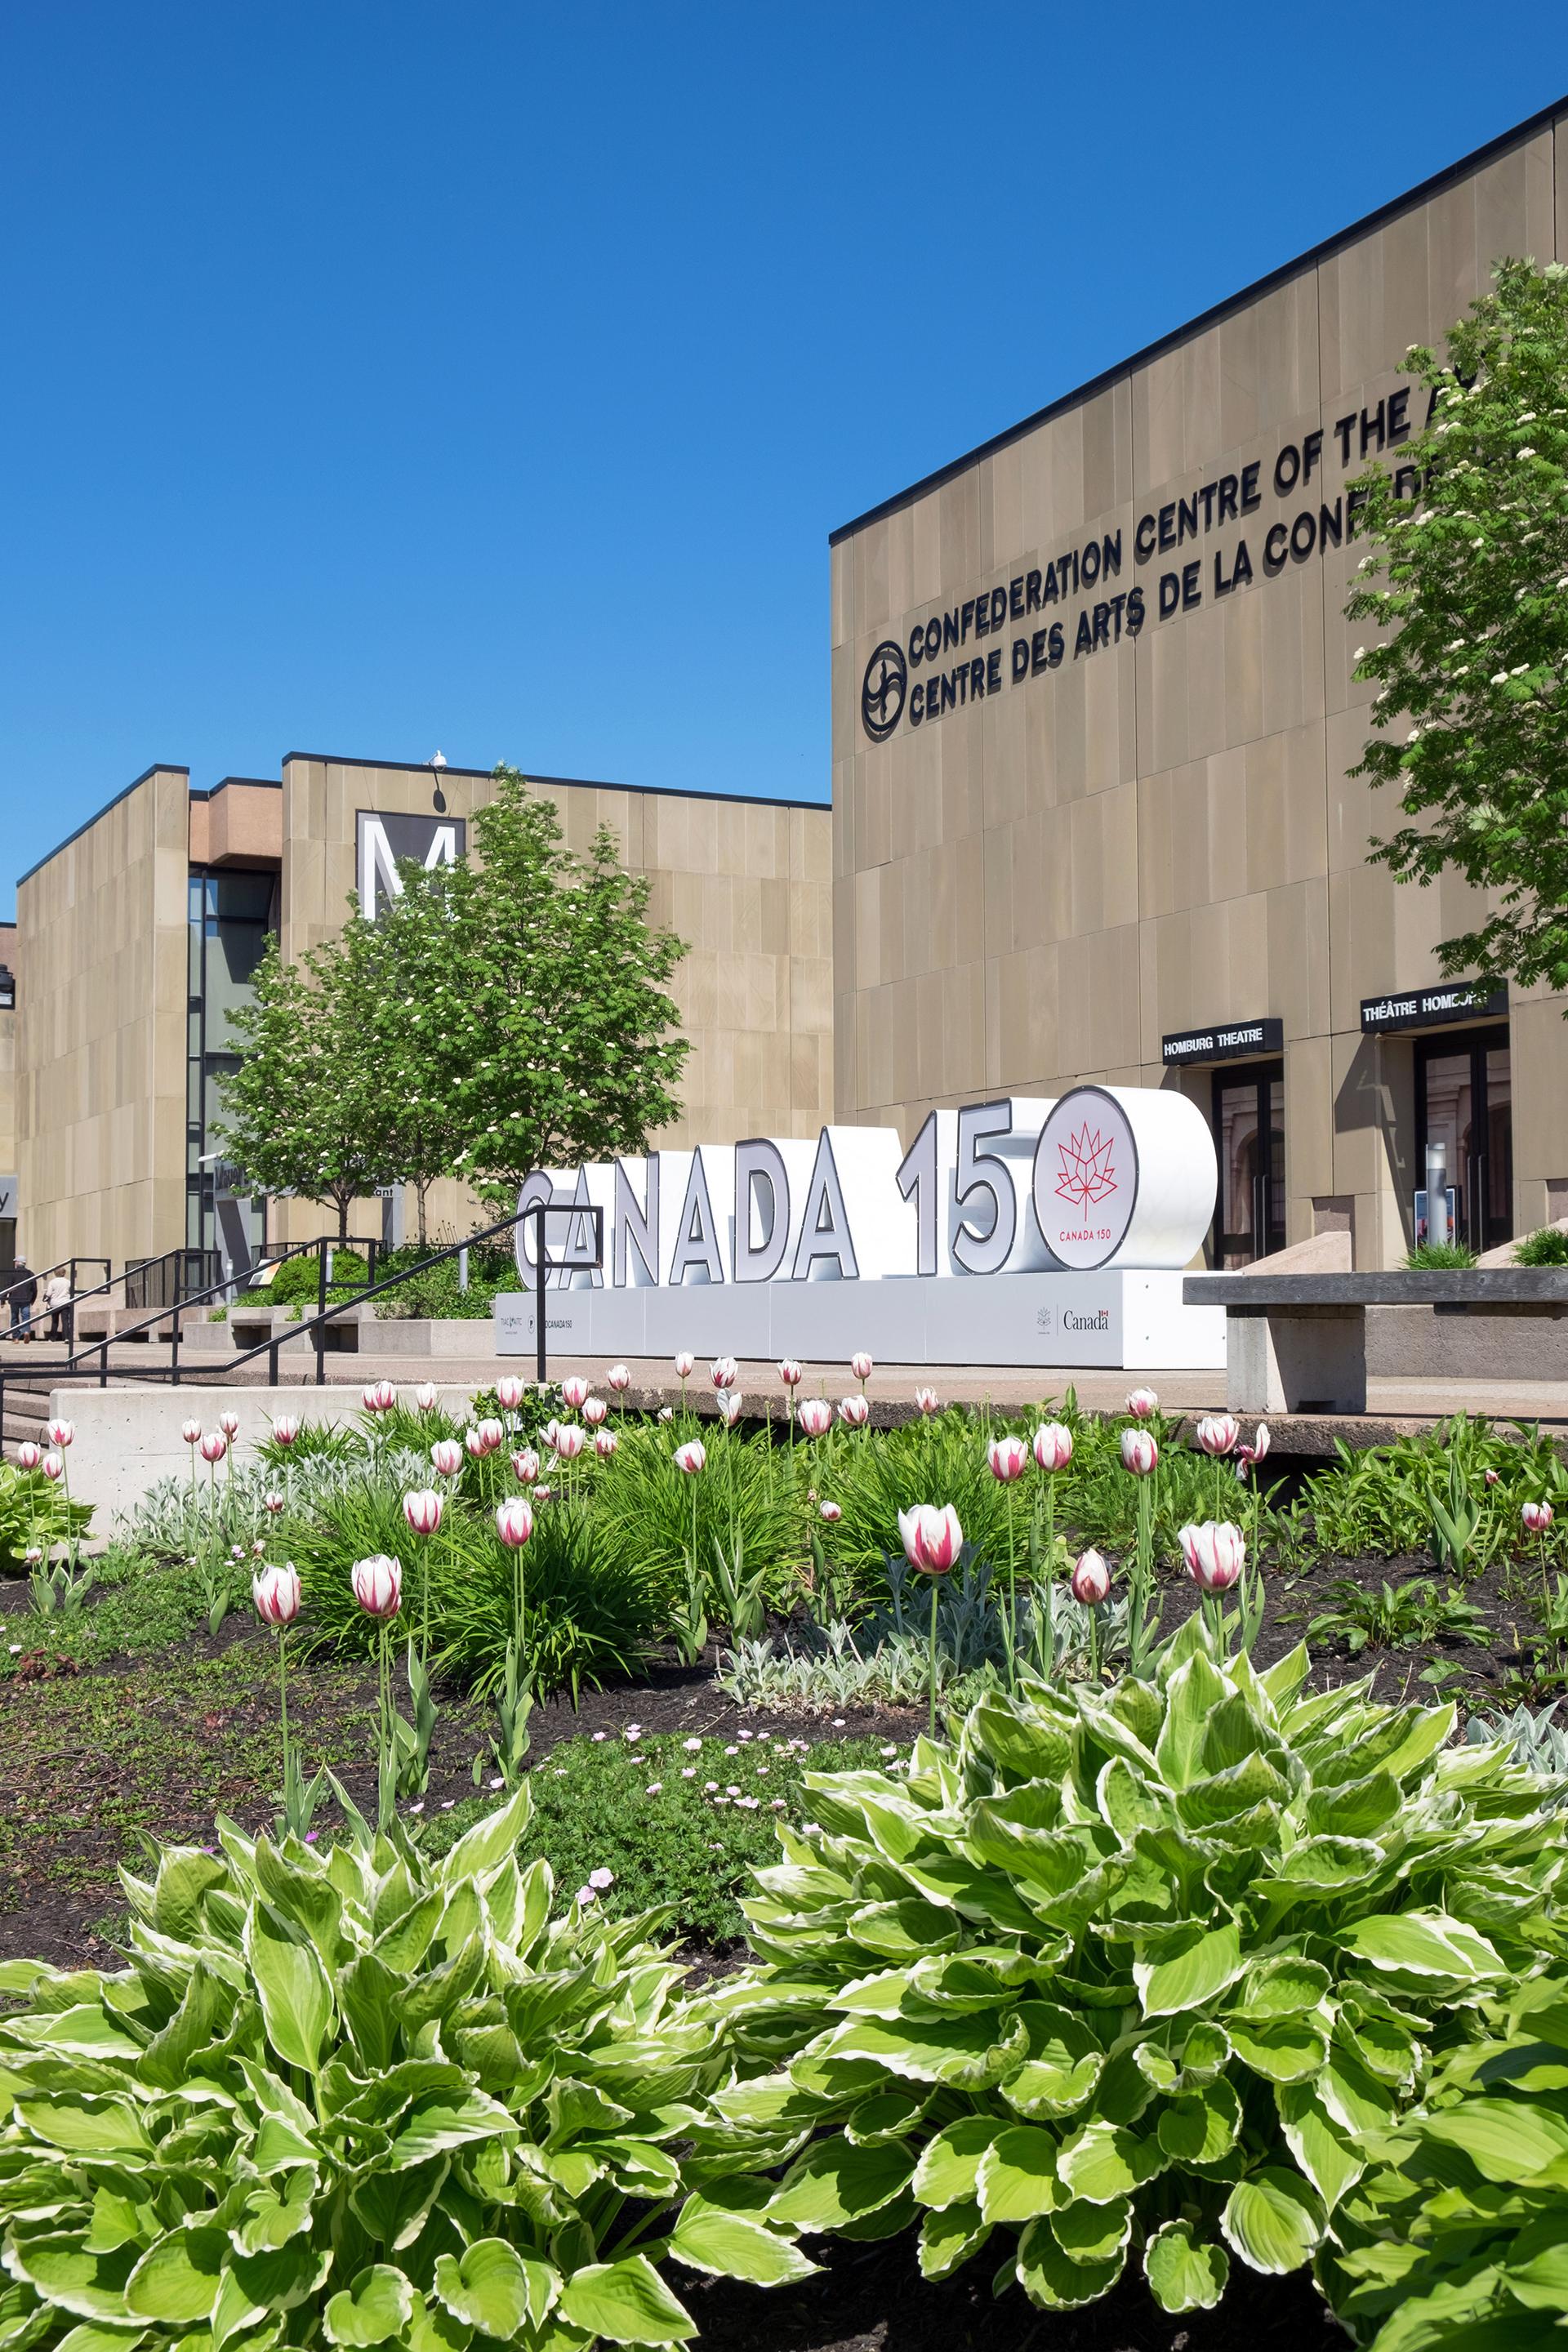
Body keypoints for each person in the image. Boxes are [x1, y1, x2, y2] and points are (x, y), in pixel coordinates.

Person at [6, 1257, 38, 1341]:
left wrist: (2, 1299)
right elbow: (34, 1288)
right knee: (26, 1316)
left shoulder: (12, 1273)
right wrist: (33, 1299)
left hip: (14, 1299)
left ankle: (15, 1337)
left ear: (17, 1263)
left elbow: (8, 1287)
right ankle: (26, 1331)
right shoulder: (30, 1273)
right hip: (26, 1299)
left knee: (14, 1317)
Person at [42, 1264, 70, 1342]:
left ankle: (53, 1337)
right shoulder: (68, 1282)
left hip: (54, 1304)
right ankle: (66, 1337)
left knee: (55, 1321)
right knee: (65, 1321)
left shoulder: (52, 1282)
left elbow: (49, 1293)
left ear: (55, 1273)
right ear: (64, 1273)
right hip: (65, 1302)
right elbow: (71, 1291)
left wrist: (45, 1298)